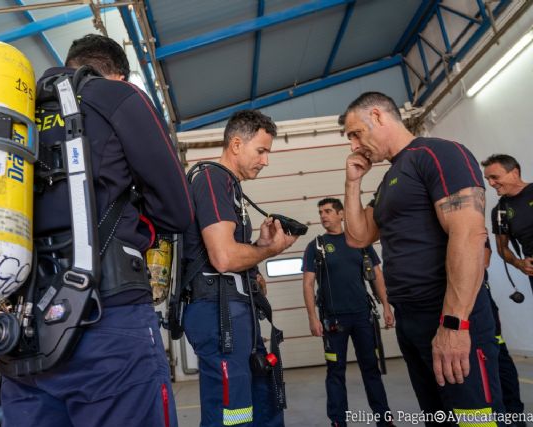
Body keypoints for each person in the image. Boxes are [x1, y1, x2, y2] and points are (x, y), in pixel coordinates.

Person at [0, 34, 192, 427]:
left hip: (18, 330)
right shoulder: (118, 97)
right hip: (107, 317)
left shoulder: (19, 109)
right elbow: (178, 210)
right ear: (118, 76)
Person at [342, 91, 505, 425]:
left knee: (476, 419)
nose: (354, 145)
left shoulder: (438, 153)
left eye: (355, 133)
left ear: (377, 115)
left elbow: (470, 235)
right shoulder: (390, 179)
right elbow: (358, 236)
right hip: (412, 319)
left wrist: (455, 323)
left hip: (446, 314)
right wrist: (352, 182)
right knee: (440, 418)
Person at [182, 109, 297, 427]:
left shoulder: (230, 188)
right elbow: (224, 258)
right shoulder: (211, 179)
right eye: (261, 151)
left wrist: (260, 248)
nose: (265, 160)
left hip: (233, 312)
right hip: (220, 314)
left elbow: (233, 255)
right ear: (236, 144)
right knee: (233, 414)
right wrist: (270, 250)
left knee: (260, 401)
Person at [301, 198, 394, 427]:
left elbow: (377, 276)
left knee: (371, 369)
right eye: (321, 212)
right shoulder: (316, 245)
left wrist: (386, 306)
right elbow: (307, 284)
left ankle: (384, 418)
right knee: (335, 372)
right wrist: (313, 318)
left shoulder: (360, 241)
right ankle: (338, 421)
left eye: (329, 211)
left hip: (363, 316)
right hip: (334, 321)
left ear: (341, 215)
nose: (324, 216)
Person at [483, 238, 526, 426]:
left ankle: (514, 414)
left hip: (479, 299)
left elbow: (484, 260)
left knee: (499, 356)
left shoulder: (469, 219)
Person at [482, 154, 533, 292]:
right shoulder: (499, 211)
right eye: (488, 179)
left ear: (515, 173)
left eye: (495, 177)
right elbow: (502, 248)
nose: (491, 183)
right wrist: (519, 264)